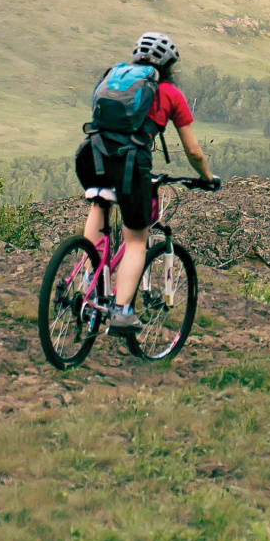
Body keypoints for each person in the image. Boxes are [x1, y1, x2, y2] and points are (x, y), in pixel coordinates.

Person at [78, 32, 216, 330]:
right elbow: (193, 150)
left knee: (99, 205)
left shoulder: (114, 77)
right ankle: (121, 310)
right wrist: (207, 177)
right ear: (169, 67)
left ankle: (87, 278)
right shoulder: (169, 94)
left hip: (93, 154)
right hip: (130, 164)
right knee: (136, 239)